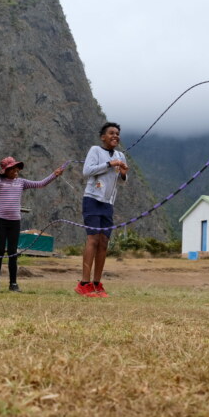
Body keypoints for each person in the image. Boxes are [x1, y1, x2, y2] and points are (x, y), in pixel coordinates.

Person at [0, 156, 63, 292]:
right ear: (5, 171)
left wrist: (54, 175)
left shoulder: (22, 182)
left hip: (14, 222)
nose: (15, 171)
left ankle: (13, 284)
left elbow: (41, 184)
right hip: (0, 221)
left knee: (13, 252)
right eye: (12, 169)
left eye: (16, 168)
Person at [75, 122, 128, 298]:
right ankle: (84, 283)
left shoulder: (120, 155)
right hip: (92, 199)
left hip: (108, 203)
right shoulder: (95, 150)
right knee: (93, 239)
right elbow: (86, 171)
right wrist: (109, 164)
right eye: (111, 133)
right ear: (103, 137)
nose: (115, 136)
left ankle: (97, 284)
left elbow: (121, 180)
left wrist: (122, 172)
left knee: (104, 242)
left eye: (117, 134)